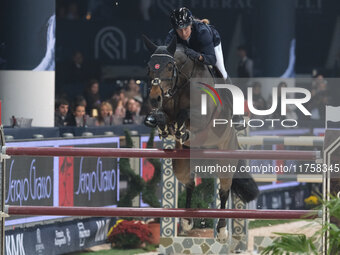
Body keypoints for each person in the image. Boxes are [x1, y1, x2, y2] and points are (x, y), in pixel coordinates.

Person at [145, 7, 245, 130]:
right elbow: (167, 57)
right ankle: (158, 112)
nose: (183, 33)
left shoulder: (203, 33)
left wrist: (198, 56)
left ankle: (236, 114)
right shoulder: (172, 35)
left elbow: (211, 59)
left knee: (222, 73)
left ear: (190, 25)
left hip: (209, 48)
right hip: (188, 52)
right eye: (179, 30)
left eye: (185, 28)